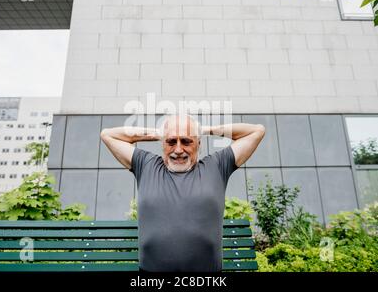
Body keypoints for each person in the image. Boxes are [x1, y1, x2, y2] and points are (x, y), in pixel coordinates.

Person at [100, 115, 265, 272]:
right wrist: (157, 133)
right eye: (171, 141)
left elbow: (256, 131)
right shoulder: (146, 164)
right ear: (162, 144)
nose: (178, 149)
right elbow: (108, 135)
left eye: (186, 141)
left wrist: (205, 129)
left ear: (198, 143)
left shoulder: (216, 165)